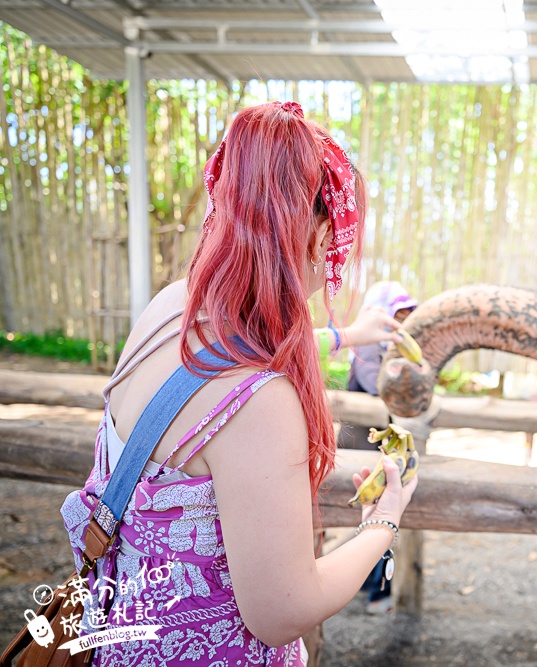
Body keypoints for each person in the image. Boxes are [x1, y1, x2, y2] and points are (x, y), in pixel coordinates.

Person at [59, 101, 418, 665]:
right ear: (322, 233)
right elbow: (280, 612)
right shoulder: (261, 402)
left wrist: (348, 334)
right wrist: (384, 521)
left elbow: (223, 356)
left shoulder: (170, 307)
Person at [341, 280, 418, 613]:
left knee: (382, 517)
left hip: (386, 443)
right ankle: (369, 589)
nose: (404, 321)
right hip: (362, 442)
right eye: (398, 314)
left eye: (408, 314)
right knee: (371, 515)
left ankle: (375, 590)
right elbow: (378, 388)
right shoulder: (366, 350)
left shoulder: (400, 347)